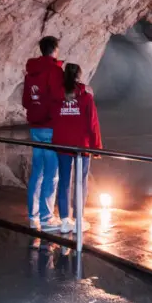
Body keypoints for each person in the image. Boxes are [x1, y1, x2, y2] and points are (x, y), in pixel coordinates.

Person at [48, 62, 102, 234]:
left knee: (64, 181)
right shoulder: (86, 97)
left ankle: (65, 221)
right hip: (81, 145)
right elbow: (93, 124)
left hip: (62, 143)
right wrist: (96, 147)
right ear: (79, 76)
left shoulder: (57, 97)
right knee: (80, 182)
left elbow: (52, 119)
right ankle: (79, 220)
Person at [22, 35, 64, 228]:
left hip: (35, 128)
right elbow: (59, 97)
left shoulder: (30, 73)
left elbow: (25, 101)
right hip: (51, 127)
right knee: (52, 174)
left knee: (37, 172)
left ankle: (33, 217)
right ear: (55, 50)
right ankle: (47, 219)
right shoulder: (54, 71)